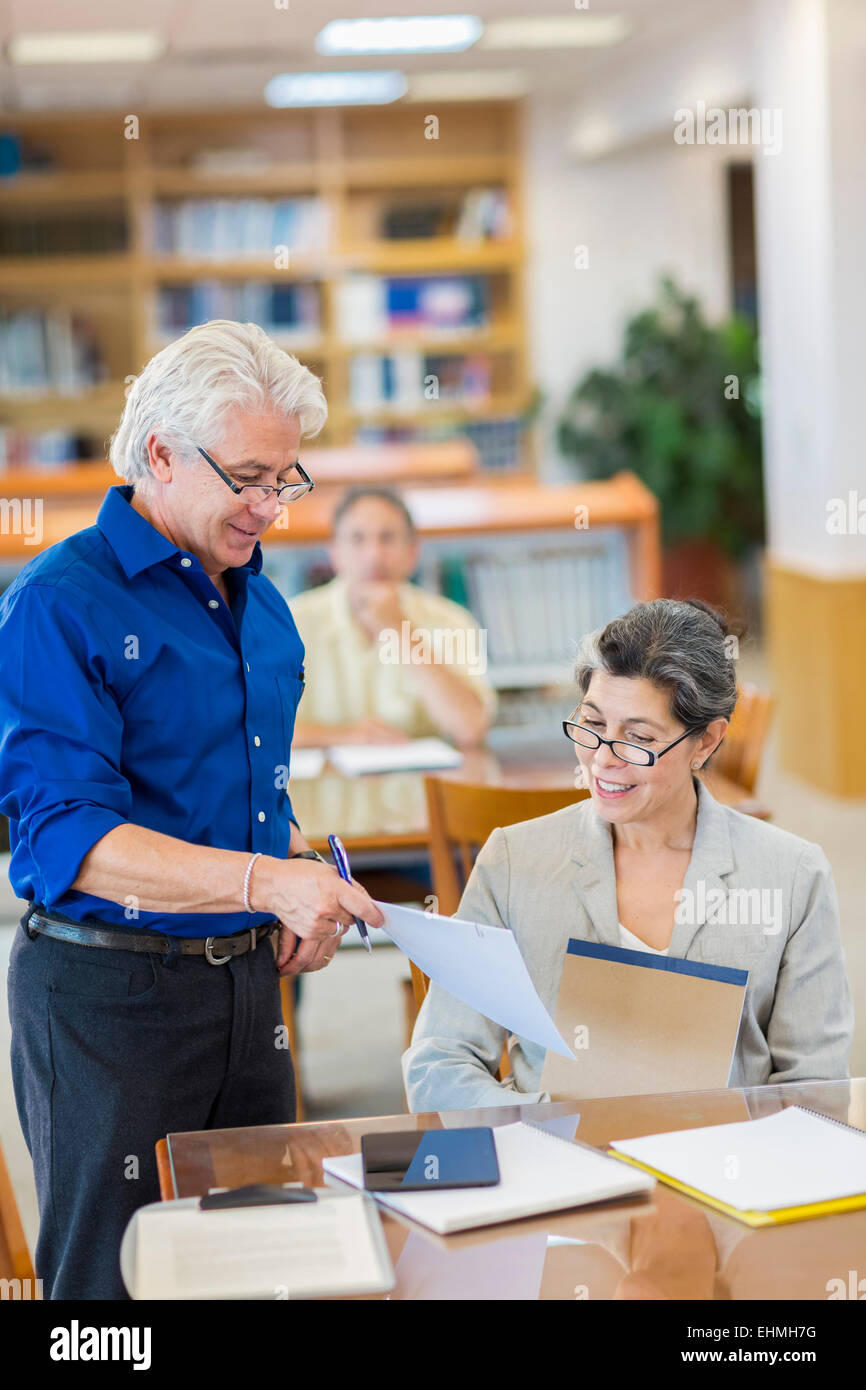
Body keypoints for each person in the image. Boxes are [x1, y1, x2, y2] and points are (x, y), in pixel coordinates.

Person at [0, 319, 384, 1300]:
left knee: (261, 1264)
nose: (271, 507)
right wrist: (265, 880)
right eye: (249, 477)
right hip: (109, 1002)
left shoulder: (264, 605)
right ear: (161, 455)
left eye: (284, 480)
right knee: (112, 1291)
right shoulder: (58, 603)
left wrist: (301, 875)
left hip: (250, 995)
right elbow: (65, 838)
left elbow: (240, 797)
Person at [403, 598, 854, 1111]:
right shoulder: (514, 860)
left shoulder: (792, 874)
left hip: (725, 1170)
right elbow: (441, 1058)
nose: (601, 760)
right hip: (556, 1165)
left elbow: (817, 1090)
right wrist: (542, 1134)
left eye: (638, 739)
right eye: (592, 724)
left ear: (706, 741)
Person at [289, 486, 496, 749]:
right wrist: (346, 737)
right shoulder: (292, 622)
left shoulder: (451, 621)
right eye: (357, 539)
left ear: (412, 553)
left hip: (418, 787)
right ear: (335, 554)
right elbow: (257, 732)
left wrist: (400, 628)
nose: (374, 555)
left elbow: (471, 728)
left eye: (387, 539)